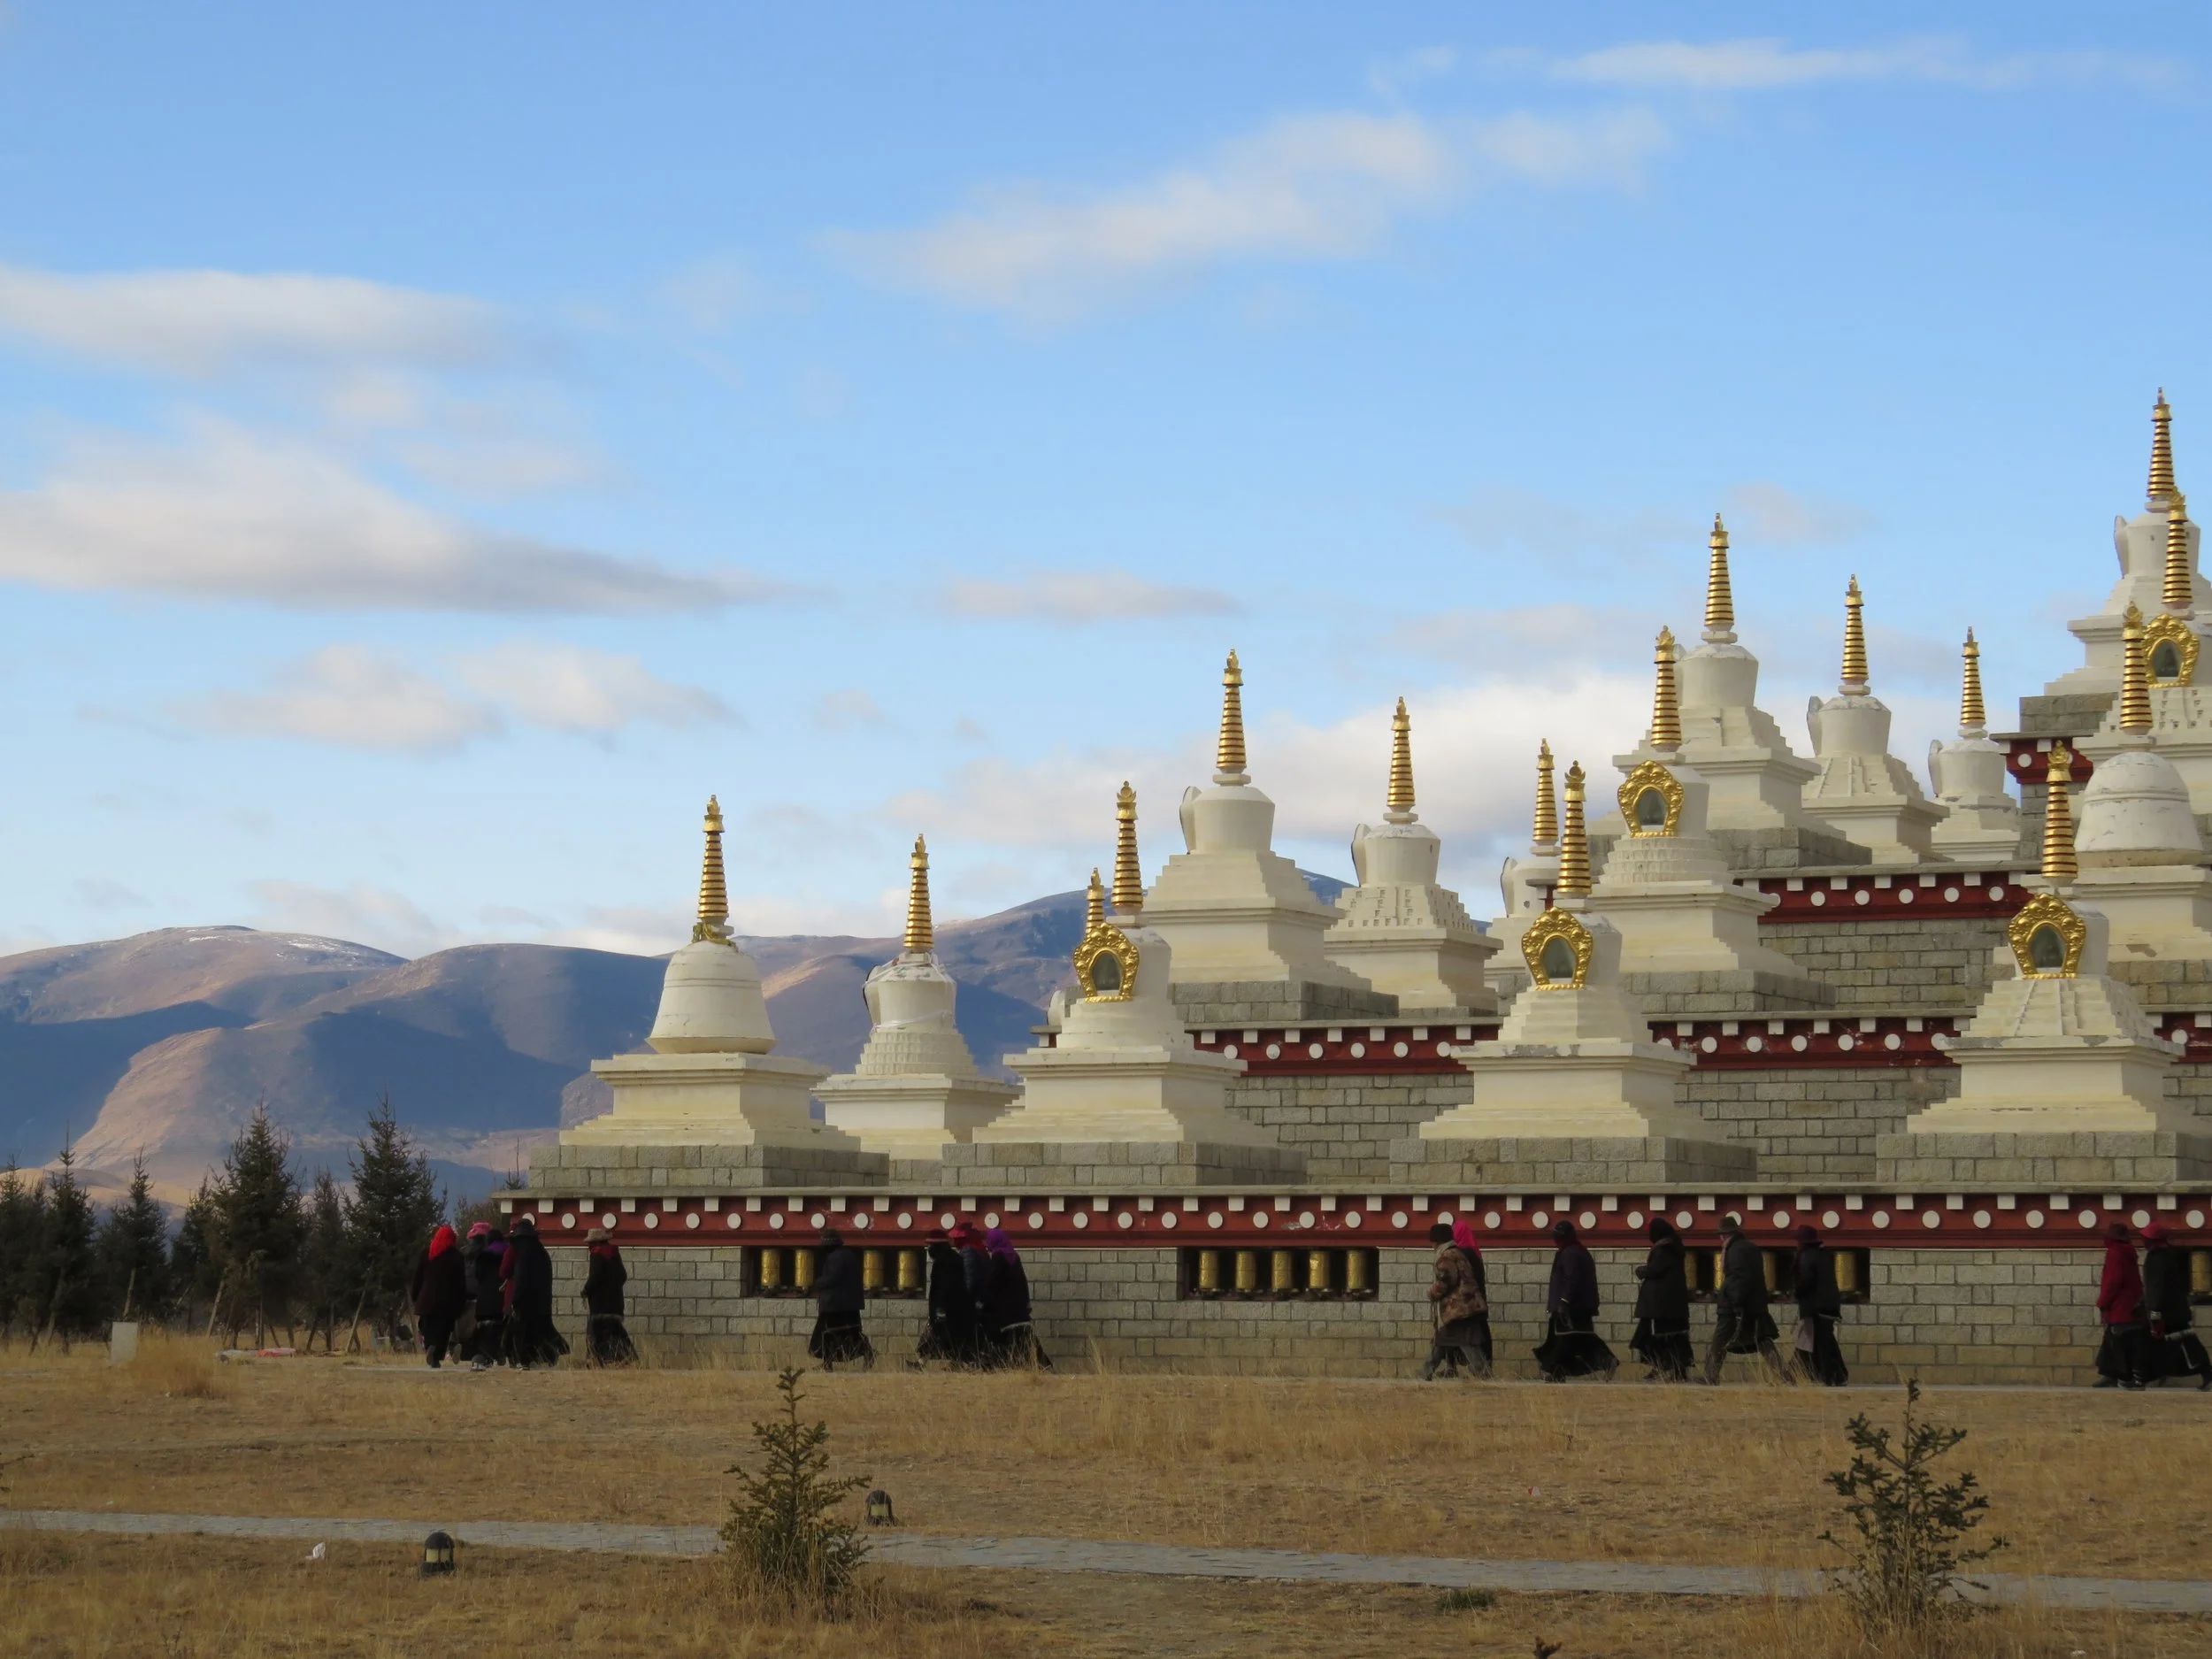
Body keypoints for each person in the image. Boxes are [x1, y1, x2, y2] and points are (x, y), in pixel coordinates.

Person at [1532, 1220, 1617, 1382]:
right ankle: (1605, 1359)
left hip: (1569, 1306)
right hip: (1582, 1306)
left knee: (1562, 1338)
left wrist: (1564, 1301)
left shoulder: (1569, 1253)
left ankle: (1551, 1369)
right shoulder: (1581, 1251)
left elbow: (1573, 1279)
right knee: (1583, 1337)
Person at [1705, 1214, 1784, 1384]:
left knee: (1720, 1340)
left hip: (1735, 1305)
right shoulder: (1749, 1247)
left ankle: (1710, 1376)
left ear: (1725, 1235)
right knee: (1762, 1340)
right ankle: (1782, 1375)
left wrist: (1735, 1301)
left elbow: (1738, 1278)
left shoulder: (1735, 1250)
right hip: (1755, 1303)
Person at [2141, 1222, 2212, 1389]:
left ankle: (2143, 1377)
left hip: (2164, 1311)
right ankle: (2151, 1375)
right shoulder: (2174, 1256)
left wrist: (2155, 1312)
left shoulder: (2156, 1258)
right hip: (2177, 1307)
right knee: (2186, 1343)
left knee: (2185, 1344)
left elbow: (2156, 1287)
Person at [1422, 1219, 1489, 1379]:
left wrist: (1431, 1292)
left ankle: (1483, 1373)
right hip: (1465, 1305)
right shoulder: (1458, 1252)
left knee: (1460, 1342)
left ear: (1437, 1241)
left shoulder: (1446, 1257)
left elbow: (1445, 1282)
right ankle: (1426, 1372)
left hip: (1457, 1308)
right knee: (1445, 1341)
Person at [1630, 1217, 1694, 1382]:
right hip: (1672, 1306)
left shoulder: (1664, 1249)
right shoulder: (1673, 1247)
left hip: (1660, 1306)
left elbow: (1655, 1270)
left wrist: (1641, 1270)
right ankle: (1675, 1371)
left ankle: (1661, 1367)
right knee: (1674, 1339)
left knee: (1655, 1338)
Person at [500, 1213, 565, 1368]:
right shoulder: (542, 1253)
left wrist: (515, 1301)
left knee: (521, 1334)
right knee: (538, 1333)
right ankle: (543, 1357)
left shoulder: (522, 1253)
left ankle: (524, 1361)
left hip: (524, 1302)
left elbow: (520, 1279)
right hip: (542, 1302)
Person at [980, 1226, 1050, 1369]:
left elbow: (992, 1281)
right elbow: (1023, 1281)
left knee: (1003, 1340)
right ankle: (1043, 1366)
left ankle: (997, 1365)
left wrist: (983, 1301)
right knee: (1026, 1340)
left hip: (1005, 1308)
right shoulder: (1013, 1256)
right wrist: (1026, 1303)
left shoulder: (998, 1256)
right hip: (1019, 1307)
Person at [1792, 1224, 1849, 1386]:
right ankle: (1837, 1375)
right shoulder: (1823, 1255)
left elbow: (1806, 1281)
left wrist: (1796, 1293)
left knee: (1819, 1343)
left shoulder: (1807, 1257)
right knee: (1826, 1341)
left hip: (1815, 1306)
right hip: (1828, 1305)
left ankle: (1827, 1376)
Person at [2095, 1221, 2150, 1389]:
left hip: (2119, 1306)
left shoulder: (2115, 1253)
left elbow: (2113, 1281)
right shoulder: (2129, 1252)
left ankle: (2121, 1377)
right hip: (2132, 1305)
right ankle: (2111, 1374)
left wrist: (2103, 1303)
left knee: (2118, 1343)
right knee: (2117, 1342)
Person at [808, 1228, 872, 1371]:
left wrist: (817, 1283)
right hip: (849, 1305)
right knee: (849, 1333)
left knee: (828, 1334)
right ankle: (829, 1363)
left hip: (836, 1305)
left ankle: (829, 1363)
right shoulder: (848, 1255)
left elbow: (834, 1278)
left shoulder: (835, 1258)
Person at [409, 1223, 467, 1369]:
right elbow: (461, 1282)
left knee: (427, 1327)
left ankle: (430, 1347)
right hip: (448, 1302)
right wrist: (461, 1302)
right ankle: (437, 1356)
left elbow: (417, 1278)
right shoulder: (457, 1256)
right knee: (444, 1330)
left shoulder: (426, 1253)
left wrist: (415, 1296)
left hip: (427, 1299)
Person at [918, 1227, 978, 1365]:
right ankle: (922, 1362)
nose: (928, 1248)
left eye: (930, 1245)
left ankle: (922, 1362)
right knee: (951, 1338)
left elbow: (942, 1287)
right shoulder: (955, 1258)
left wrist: (940, 1309)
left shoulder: (941, 1263)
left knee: (940, 1336)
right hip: (959, 1307)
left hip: (946, 1309)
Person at [581, 1227, 638, 1366]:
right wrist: (612, 1289)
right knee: (615, 1331)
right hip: (615, 1303)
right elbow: (622, 1276)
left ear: (595, 1243)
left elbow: (595, 1277)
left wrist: (586, 1290)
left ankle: (596, 1361)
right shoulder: (614, 1254)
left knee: (597, 1334)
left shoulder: (597, 1254)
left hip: (599, 1304)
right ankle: (627, 1358)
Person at [1452, 1218, 1495, 1375]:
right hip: (1478, 1301)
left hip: (1468, 1303)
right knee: (1481, 1332)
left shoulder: (1463, 1254)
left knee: (1466, 1334)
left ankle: (1478, 1368)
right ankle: (1485, 1366)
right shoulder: (1475, 1253)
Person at [461, 1222, 507, 1368]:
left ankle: (481, 1356)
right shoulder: (508, 1253)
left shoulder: (477, 1255)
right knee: (499, 1328)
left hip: (481, 1297)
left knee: (479, 1329)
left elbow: (478, 1275)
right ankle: (498, 1352)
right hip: (501, 1297)